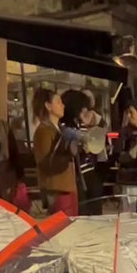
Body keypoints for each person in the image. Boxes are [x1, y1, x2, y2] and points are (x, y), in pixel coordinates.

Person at [32, 87, 79, 216]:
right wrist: (68, 152)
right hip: (57, 190)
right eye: (58, 102)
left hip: (67, 188)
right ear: (48, 106)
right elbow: (47, 164)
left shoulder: (57, 129)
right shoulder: (44, 131)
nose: (62, 105)